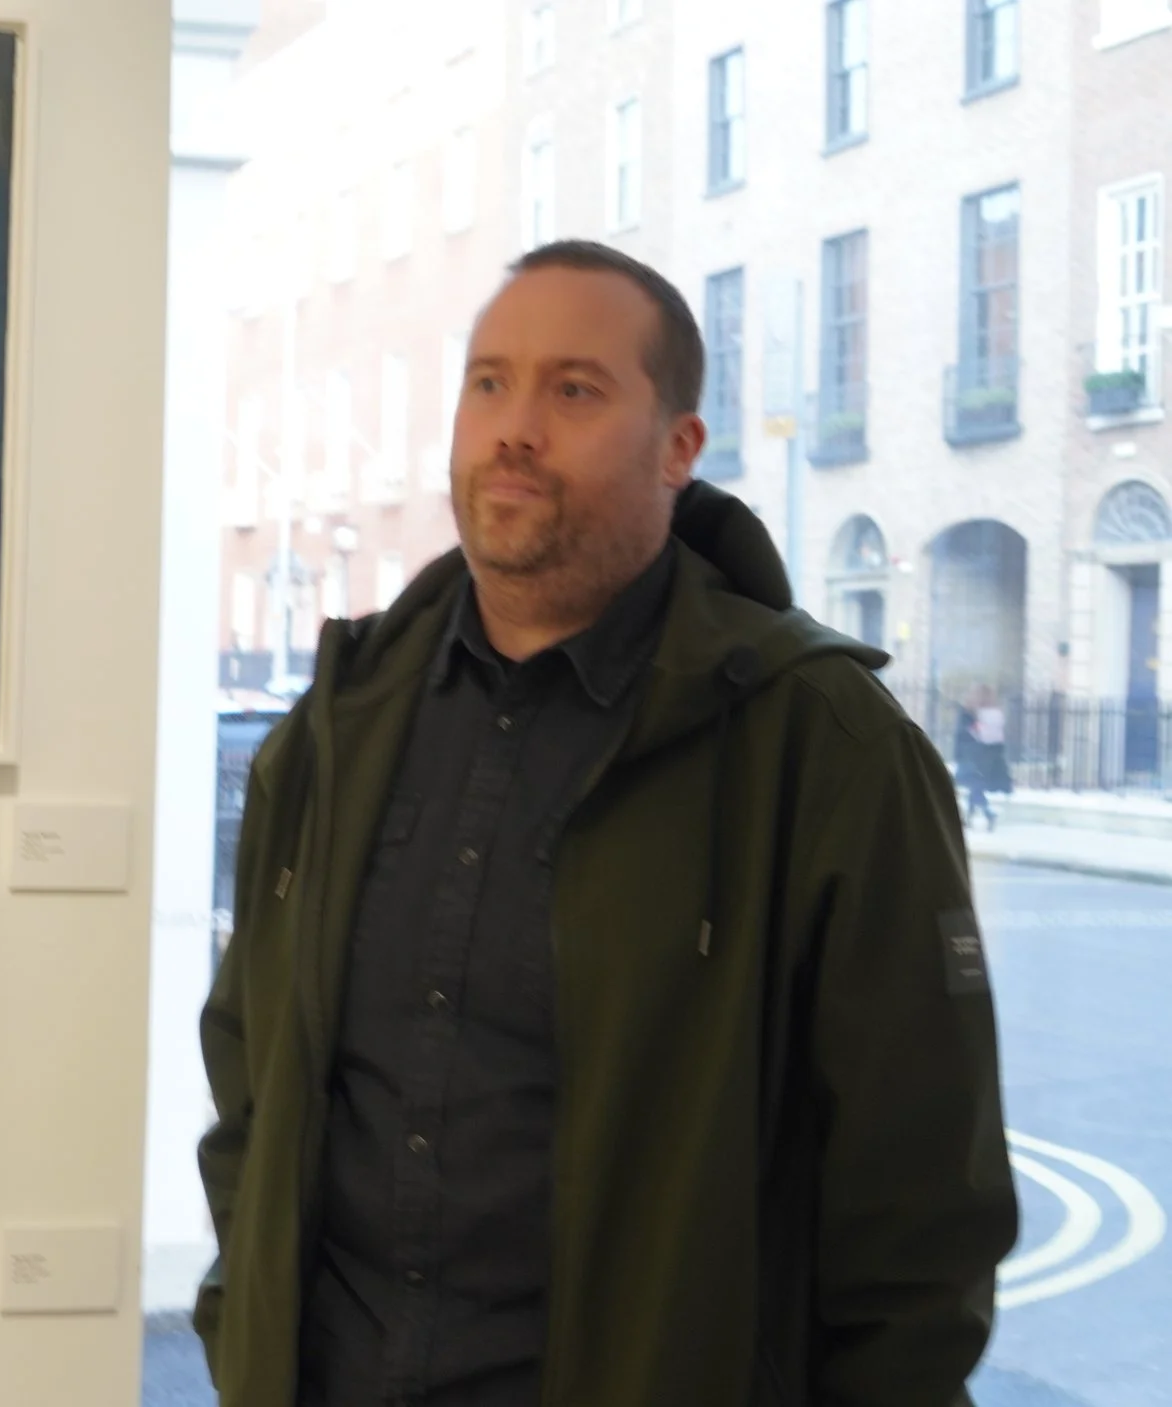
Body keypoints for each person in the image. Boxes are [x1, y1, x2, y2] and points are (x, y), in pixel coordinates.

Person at [193, 240, 1018, 1407]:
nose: (514, 426)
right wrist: (245, 1332)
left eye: (573, 389)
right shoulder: (339, 726)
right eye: (489, 382)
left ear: (678, 447)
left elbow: (919, 1216)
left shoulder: (821, 749)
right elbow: (251, 1089)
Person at [952, 684, 1012, 830]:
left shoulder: (974, 714)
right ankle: (975, 815)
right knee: (975, 785)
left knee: (974, 784)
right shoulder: (976, 714)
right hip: (976, 755)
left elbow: (964, 734)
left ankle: (984, 814)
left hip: (971, 755)